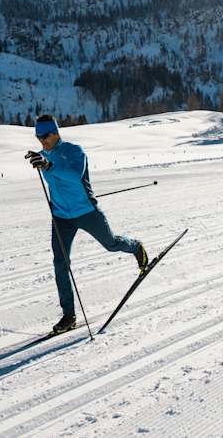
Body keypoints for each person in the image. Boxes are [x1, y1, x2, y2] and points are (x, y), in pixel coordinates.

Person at [26, 114, 147, 335]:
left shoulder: (75, 151)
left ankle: (136, 247)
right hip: (61, 217)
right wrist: (43, 162)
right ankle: (69, 316)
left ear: (55, 133)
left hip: (86, 211)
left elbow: (73, 175)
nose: (41, 141)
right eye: (37, 136)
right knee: (60, 263)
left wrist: (48, 165)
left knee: (111, 244)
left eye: (44, 136)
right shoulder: (43, 157)